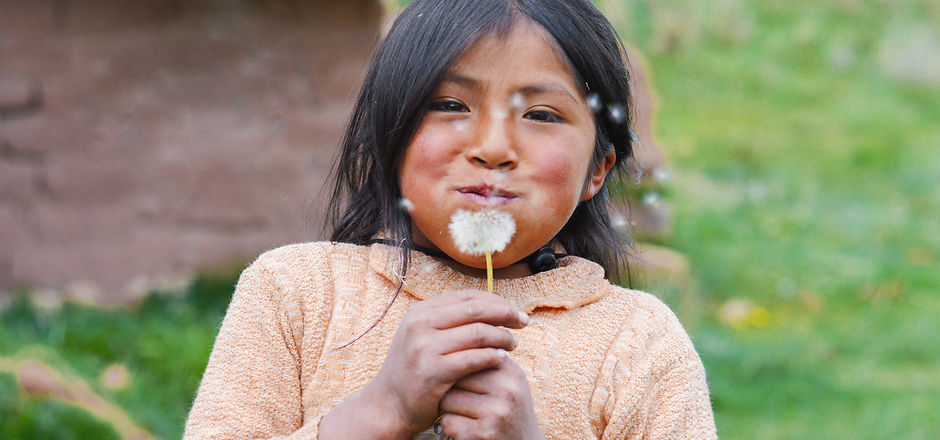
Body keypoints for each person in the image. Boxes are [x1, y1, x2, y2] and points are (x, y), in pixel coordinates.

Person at [183, 0, 716, 438]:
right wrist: (380, 413)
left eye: (541, 115)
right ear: (390, 140)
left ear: (597, 171)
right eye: (451, 105)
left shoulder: (639, 345)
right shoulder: (295, 294)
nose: (492, 148)